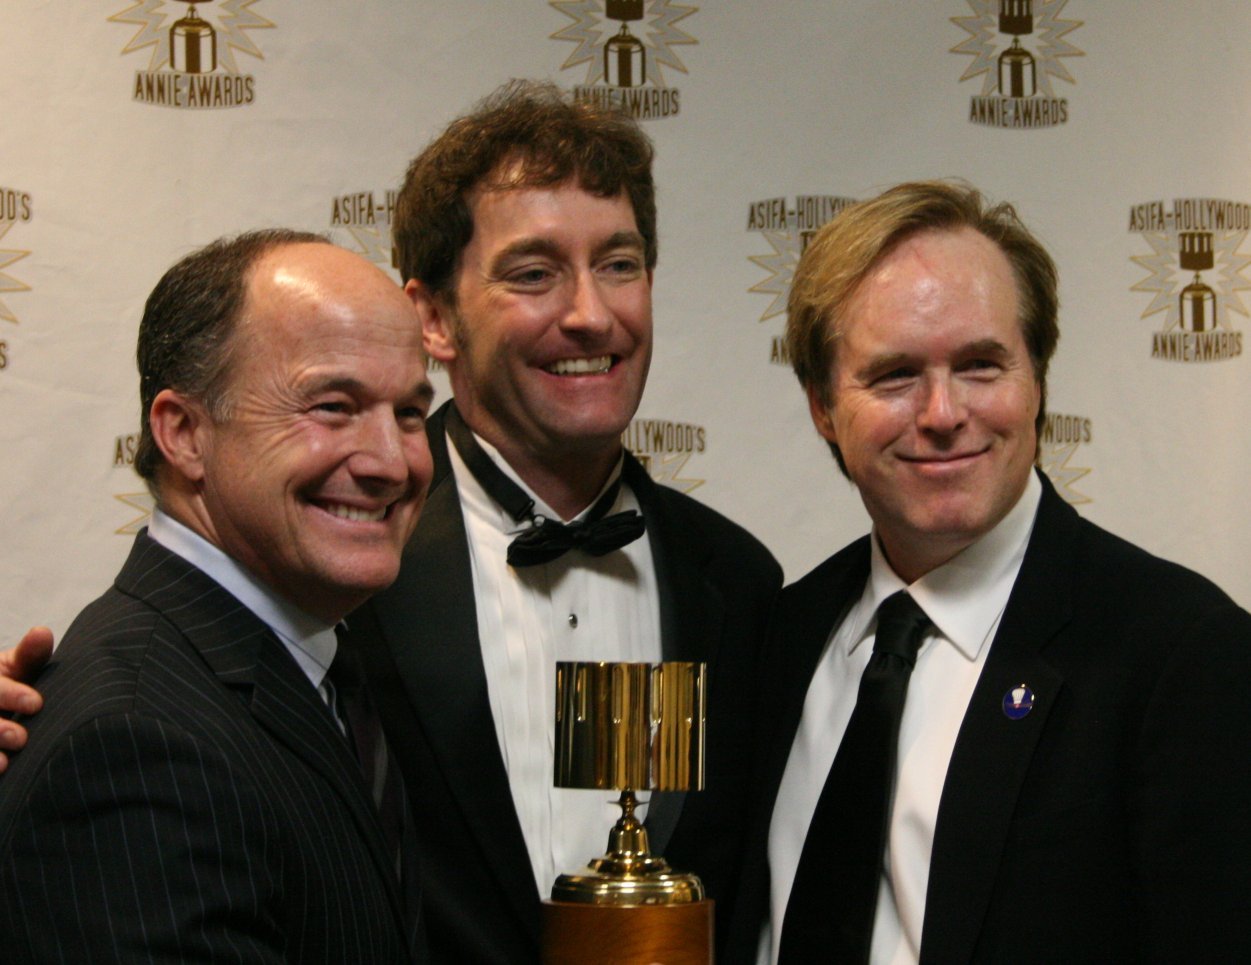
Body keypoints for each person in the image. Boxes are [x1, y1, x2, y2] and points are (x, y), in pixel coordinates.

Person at [1, 82, 781, 963]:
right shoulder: (338, 563)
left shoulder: (745, 583)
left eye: (619, 264)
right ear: (434, 317)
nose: (589, 313)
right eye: (532, 272)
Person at [730, 180, 1251, 964]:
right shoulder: (781, 633)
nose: (942, 413)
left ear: (1036, 381)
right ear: (822, 407)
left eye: (980, 365)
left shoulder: (1181, 654)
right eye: (894, 374)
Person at [0, 230, 434, 962]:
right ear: (184, 433)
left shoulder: (327, 668)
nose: (391, 460)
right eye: (332, 406)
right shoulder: (133, 744)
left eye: (411, 413)